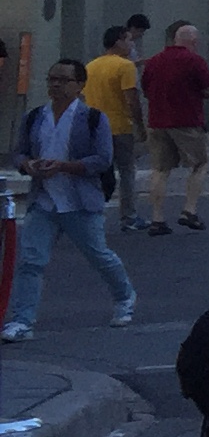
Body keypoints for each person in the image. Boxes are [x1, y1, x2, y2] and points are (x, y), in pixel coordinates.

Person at [6, 59, 137, 339]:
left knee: (99, 255)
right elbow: (19, 153)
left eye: (63, 80)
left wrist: (64, 166)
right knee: (31, 260)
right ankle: (22, 320)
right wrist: (28, 165)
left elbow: (102, 159)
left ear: (80, 85)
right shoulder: (35, 117)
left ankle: (124, 296)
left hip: (79, 202)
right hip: (43, 200)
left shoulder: (93, 118)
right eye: (52, 79)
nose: (56, 85)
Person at [139, 21, 209, 235]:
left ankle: (157, 219)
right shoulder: (194, 61)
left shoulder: (154, 61)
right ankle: (189, 210)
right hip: (188, 121)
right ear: (194, 41)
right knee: (200, 163)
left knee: (160, 170)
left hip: (157, 121)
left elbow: (146, 89)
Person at [83, 25, 146, 233]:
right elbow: (132, 99)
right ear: (119, 41)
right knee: (127, 171)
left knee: (98, 171)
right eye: (129, 40)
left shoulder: (91, 66)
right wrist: (139, 125)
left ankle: (91, 211)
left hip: (95, 127)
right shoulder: (125, 66)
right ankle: (129, 215)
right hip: (120, 125)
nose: (131, 44)